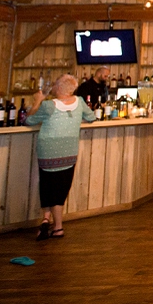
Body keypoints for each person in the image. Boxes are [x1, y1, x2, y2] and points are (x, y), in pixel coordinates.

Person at [26, 74, 97, 240]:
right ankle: (50, 222)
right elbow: (92, 117)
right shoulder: (79, 102)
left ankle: (54, 225)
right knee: (61, 187)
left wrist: (37, 101)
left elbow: (29, 120)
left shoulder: (48, 105)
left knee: (48, 185)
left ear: (58, 88)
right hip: (69, 151)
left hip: (48, 151)